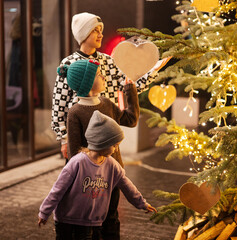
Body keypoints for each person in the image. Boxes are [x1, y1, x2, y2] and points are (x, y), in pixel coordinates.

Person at [51, 12, 162, 160]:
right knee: (81, 175)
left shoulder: (109, 61)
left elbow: (130, 87)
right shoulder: (69, 63)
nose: (100, 35)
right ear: (83, 34)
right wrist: (64, 139)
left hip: (108, 136)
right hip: (81, 137)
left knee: (110, 177)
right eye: (95, 30)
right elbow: (59, 103)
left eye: (101, 31)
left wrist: (152, 72)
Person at [38, 110, 157, 240]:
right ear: (102, 142)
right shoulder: (78, 162)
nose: (116, 149)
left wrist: (141, 203)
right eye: (114, 145)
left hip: (91, 221)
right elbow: (58, 189)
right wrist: (44, 212)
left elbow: (127, 185)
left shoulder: (112, 165)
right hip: (67, 221)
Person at [59, 58, 138, 239]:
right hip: (91, 181)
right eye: (98, 74)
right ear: (87, 83)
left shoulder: (106, 103)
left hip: (113, 173)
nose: (103, 76)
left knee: (111, 218)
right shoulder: (75, 113)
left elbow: (130, 120)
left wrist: (130, 91)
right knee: (91, 224)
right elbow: (74, 154)